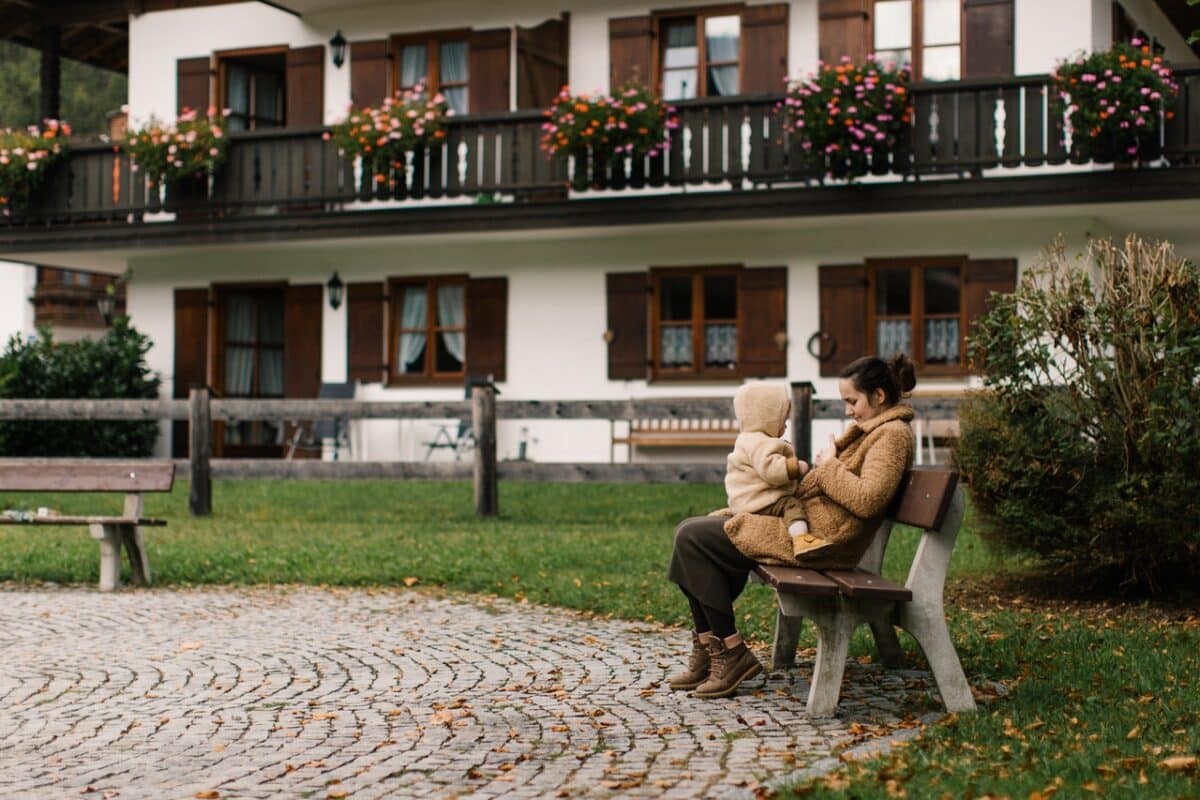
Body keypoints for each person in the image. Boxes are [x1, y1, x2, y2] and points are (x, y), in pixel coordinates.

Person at [666, 354, 917, 699]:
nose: (848, 411)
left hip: (822, 540)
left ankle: (729, 651)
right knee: (693, 532)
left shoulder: (892, 435)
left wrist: (827, 466)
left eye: (852, 401)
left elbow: (868, 499)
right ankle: (714, 648)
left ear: (879, 396)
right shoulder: (875, 431)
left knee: (693, 539)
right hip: (807, 525)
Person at [723, 382, 809, 537]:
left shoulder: (746, 439)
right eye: (782, 421)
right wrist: (795, 467)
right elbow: (772, 470)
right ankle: (801, 538)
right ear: (767, 419)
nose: (785, 427)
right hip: (760, 501)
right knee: (791, 505)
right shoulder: (760, 443)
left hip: (744, 500)